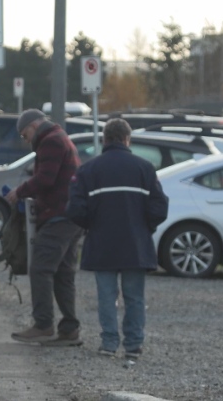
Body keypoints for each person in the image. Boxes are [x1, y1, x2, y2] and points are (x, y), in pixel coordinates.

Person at [65, 119, 169, 359]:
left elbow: (75, 209)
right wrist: (145, 227)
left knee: (106, 296)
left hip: (102, 243)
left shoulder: (89, 170)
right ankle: (133, 345)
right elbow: (159, 207)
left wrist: (92, 224)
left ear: (105, 139)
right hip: (135, 243)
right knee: (134, 297)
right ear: (126, 139)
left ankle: (109, 344)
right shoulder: (144, 168)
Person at [4, 108, 84, 346]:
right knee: (63, 273)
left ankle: (43, 325)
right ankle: (69, 329)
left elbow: (45, 179)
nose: (26, 140)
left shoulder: (50, 142)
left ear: (32, 126)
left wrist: (20, 191)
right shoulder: (60, 138)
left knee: (40, 268)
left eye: (24, 135)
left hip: (58, 216)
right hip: (71, 216)